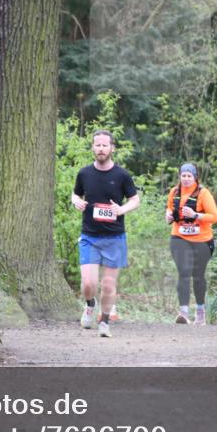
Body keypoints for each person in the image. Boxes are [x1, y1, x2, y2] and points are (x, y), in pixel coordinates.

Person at [71, 130, 140, 337]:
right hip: (90, 237)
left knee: (109, 285)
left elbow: (135, 200)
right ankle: (90, 305)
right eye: (97, 145)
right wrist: (75, 200)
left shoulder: (122, 175)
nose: (101, 149)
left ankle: (105, 322)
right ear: (93, 148)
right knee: (89, 284)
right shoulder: (84, 173)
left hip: (114, 238)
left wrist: (121, 209)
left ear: (112, 148)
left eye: (104, 145)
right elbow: (76, 193)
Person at [165, 164, 217, 326]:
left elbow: (214, 217)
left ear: (195, 177)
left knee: (198, 275)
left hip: (202, 239)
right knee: (184, 271)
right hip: (179, 237)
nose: (186, 179)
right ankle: (183, 312)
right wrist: (167, 216)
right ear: (180, 176)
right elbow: (169, 209)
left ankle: (200, 311)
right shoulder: (174, 192)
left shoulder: (203, 194)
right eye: (183, 176)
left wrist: (196, 215)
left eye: (189, 176)